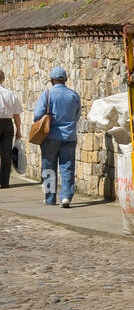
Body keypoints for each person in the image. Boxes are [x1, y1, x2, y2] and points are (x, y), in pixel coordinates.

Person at [33, 66, 81, 207]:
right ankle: (66, 197)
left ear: (51, 80)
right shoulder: (74, 95)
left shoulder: (47, 94)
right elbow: (77, 115)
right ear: (65, 79)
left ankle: (50, 199)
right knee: (68, 167)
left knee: (48, 167)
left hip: (50, 136)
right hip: (69, 136)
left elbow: (37, 115)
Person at [0, 69, 21, 189]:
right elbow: (16, 115)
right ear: (3, 79)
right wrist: (18, 130)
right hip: (8, 124)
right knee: (6, 154)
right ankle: (5, 182)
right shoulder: (10, 94)